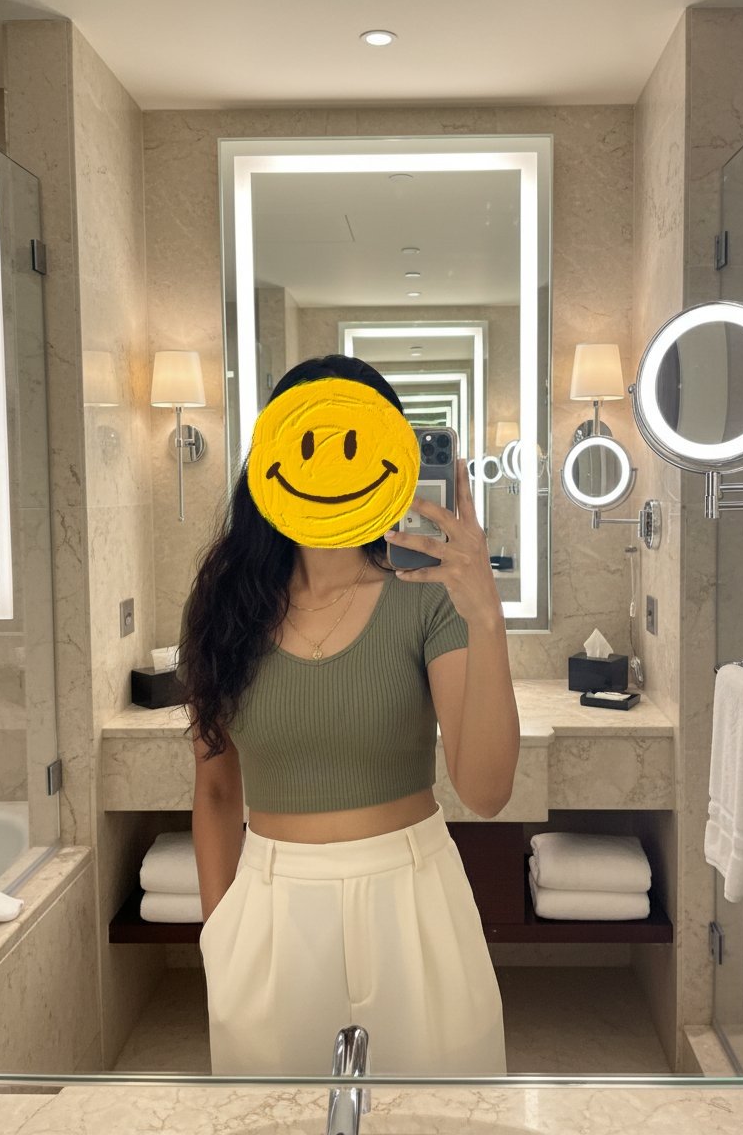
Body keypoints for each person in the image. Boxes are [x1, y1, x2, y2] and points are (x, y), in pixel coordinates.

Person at [179, 354, 520, 1076]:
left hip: (414, 900)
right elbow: (215, 790)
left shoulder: (426, 595)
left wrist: (486, 616)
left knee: (439, 1117)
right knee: (273, 1119)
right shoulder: (225, 608)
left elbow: (487, 791)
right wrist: (220, 938)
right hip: (269, 911)